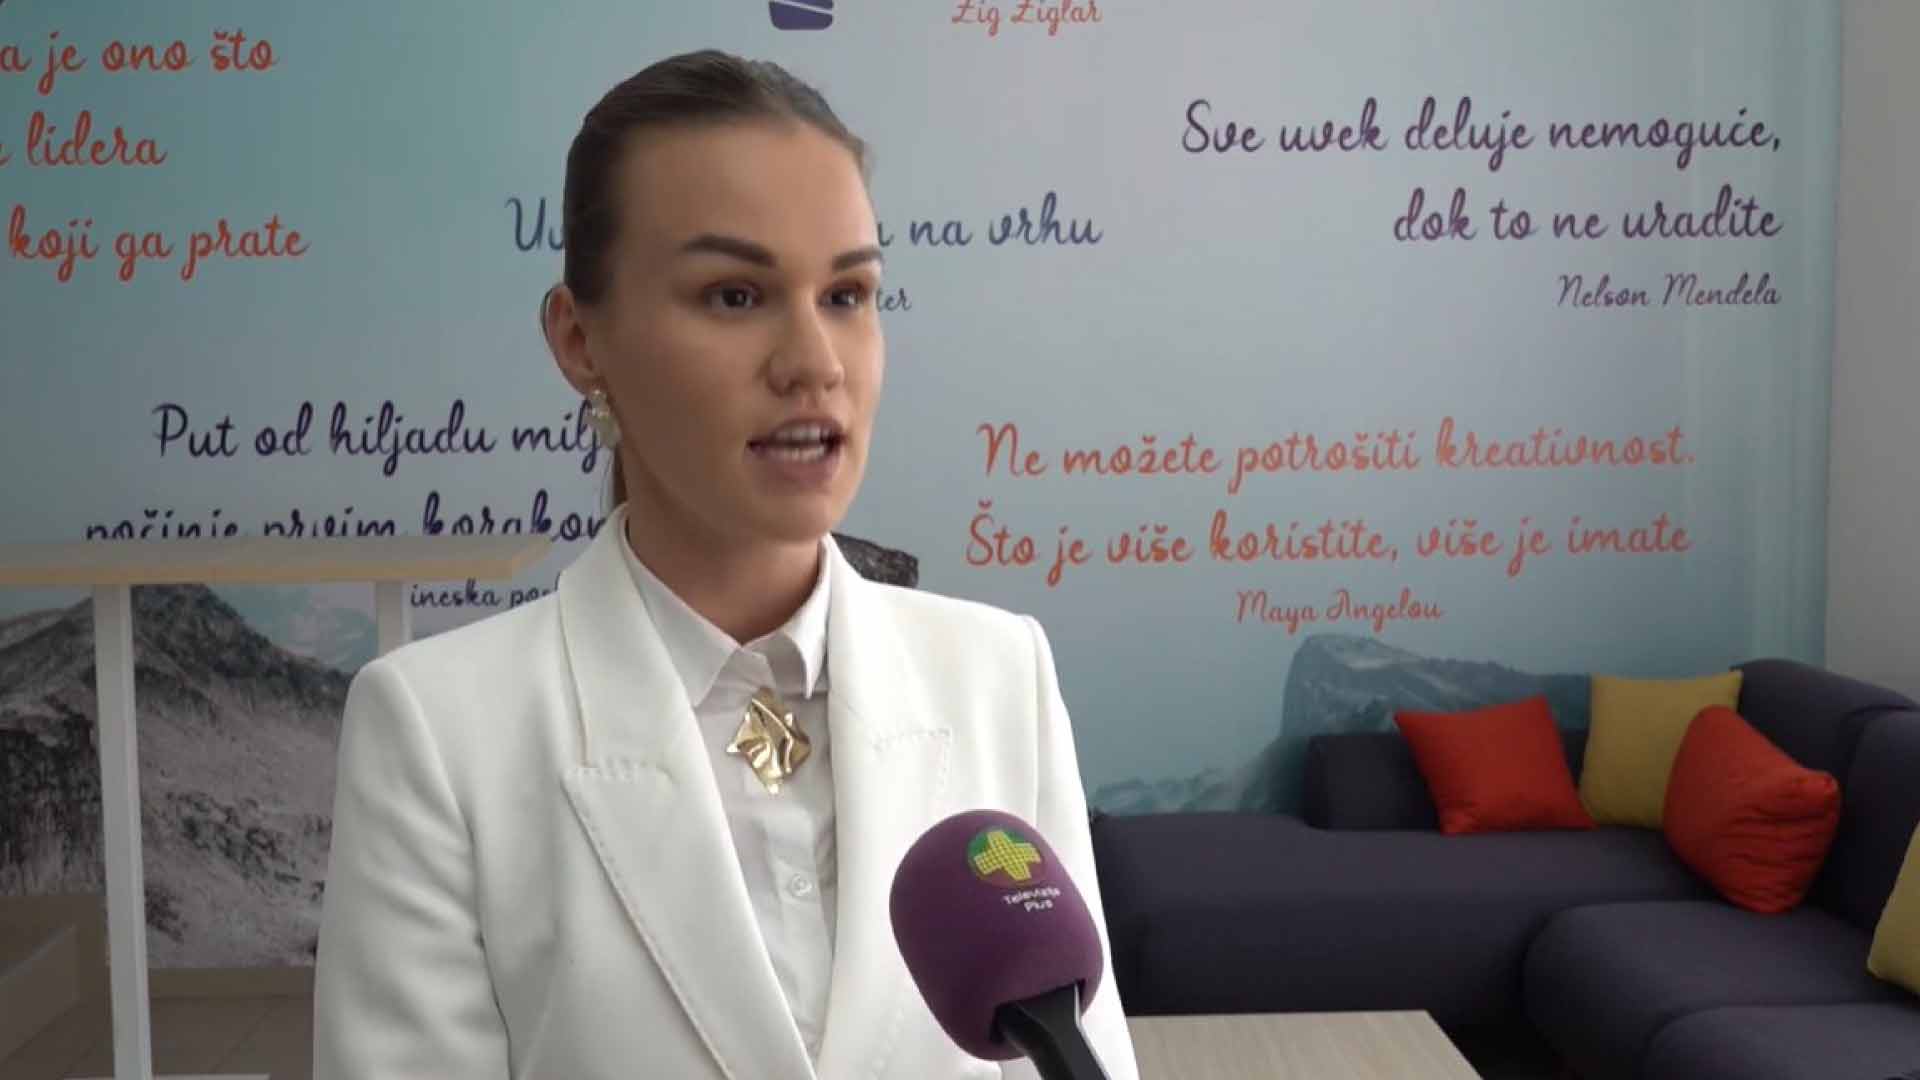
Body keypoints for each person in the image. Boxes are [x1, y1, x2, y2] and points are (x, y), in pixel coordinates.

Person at [311, 49, 1140, 1080]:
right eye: (736, 295)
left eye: (848, 294)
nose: (816, 363)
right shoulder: (438, 735)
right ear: (580, 341)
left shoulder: (998, 677)